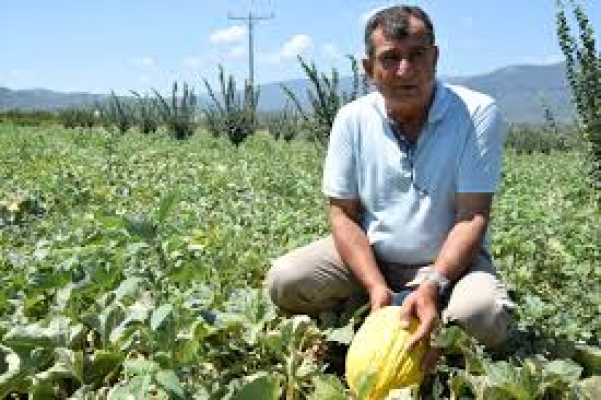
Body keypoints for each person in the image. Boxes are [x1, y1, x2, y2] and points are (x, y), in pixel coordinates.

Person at [266, 4, 513, 370]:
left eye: (417, 55)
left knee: (484, 314)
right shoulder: (352, 119)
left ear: (435, 57)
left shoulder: (476, 112)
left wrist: (433, 282)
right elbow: (343, 215)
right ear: (369, 69)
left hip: (452, 264)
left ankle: (428, 313)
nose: (405, 70)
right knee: (285, 280)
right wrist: (374, 285)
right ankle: (387, 307)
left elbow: (472, 215)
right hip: (373, 258)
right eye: (390, 58)